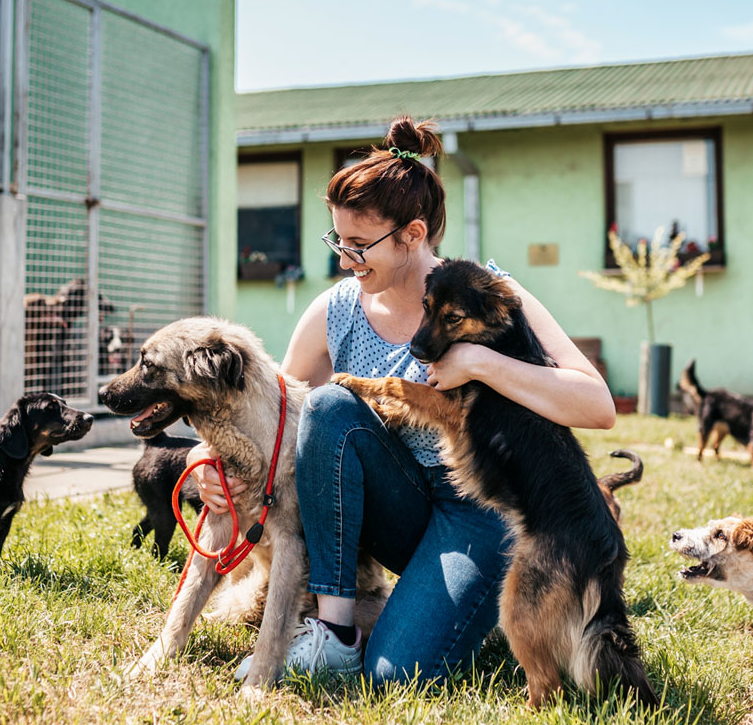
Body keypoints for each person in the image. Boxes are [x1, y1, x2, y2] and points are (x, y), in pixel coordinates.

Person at [188, 115, 616, 686]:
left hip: (479, 512)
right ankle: (336, 631)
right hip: (394, 506)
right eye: (337, 240)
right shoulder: (335, 309)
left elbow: (597, 405)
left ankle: (463, 602)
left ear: (413, 235)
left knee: (397, 674)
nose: (345, 257)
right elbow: (275, 419)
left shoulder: (487, 293)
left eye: (360, 244)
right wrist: (203, 465)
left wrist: (480, 361)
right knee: (328, 407)